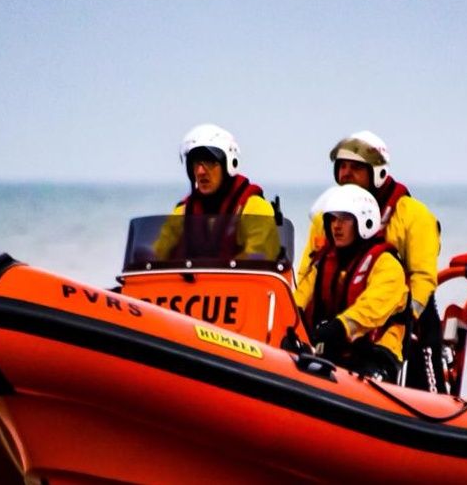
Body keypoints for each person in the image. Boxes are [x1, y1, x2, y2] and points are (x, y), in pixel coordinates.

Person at [304, 131, 446, 391]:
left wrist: (399, 319)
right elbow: (309, 274)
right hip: (341, 329)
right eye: (342, 167)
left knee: (428, 396)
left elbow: (423, 280)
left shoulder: (412, 216)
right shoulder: (327, 217)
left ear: (377, 172)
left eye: (356, 168)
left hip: (404, 327)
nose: (346, 174)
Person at [292, 185, 408, 381]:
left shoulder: (387, 265)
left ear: (364, 221)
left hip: (376, 353)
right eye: (333, 219)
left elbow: (371, 309)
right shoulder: (323, 262)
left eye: (345, 219)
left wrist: (338, 327)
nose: (336, 226)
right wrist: (289, 320)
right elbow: (301, 296)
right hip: (334, 351)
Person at [151, 124, 279, 261]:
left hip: (242, 282)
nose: (200, 171)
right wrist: (143, 258)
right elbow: (155, 255)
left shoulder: (255, 208)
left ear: (228, 164)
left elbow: (259, 259)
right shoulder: (183, 212)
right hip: (192, 282)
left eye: (210, 161)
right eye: (196, 163)